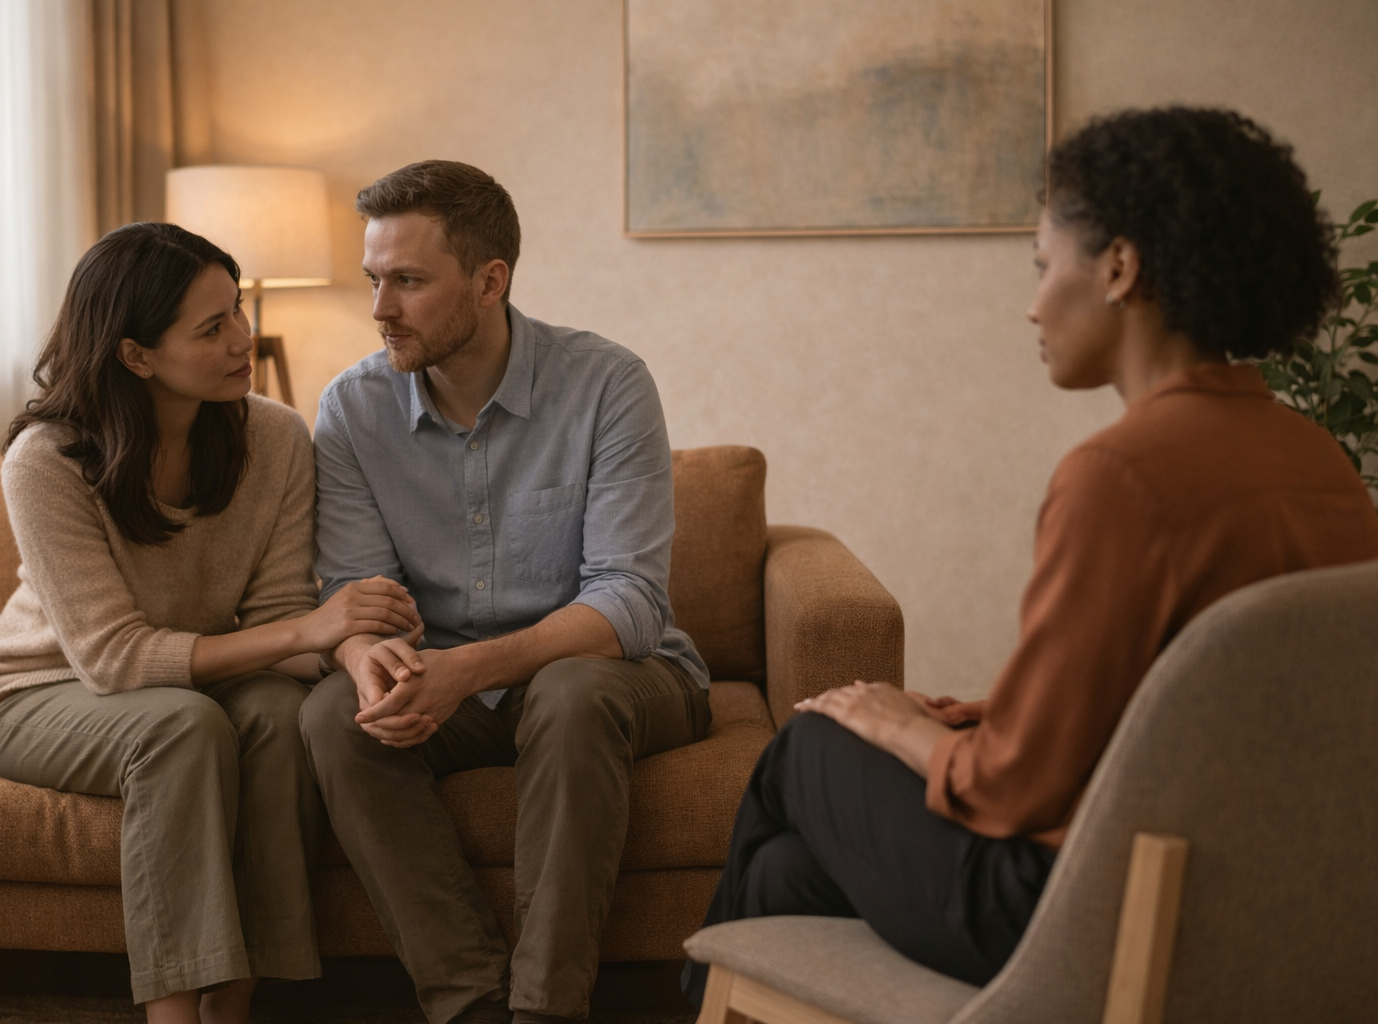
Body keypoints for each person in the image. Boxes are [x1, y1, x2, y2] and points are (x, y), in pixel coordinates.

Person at [684, 106, 1378, 998]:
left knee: (813, 736)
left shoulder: (1122, 476)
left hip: (1072, 904)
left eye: (1045, 267)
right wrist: (975, 717)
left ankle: (692, 1004)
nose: (1032, 302)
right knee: (783, 875)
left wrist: (903, 728)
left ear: (1120, 269)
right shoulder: (1314, 455)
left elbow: (1014, 795)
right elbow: (1174, 701)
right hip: (1249, 896)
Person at [0, 223, 421, 1024]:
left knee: (285, 715)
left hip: (187, 682)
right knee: (181, 728)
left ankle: (235, 1002)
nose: (243, 340)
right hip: (39, 691)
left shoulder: (274, 437)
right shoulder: (45, 460)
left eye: (236, 311)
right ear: (135, 355)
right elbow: (112, 660)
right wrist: (313, 630)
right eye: (212, 329)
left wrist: (366, 650)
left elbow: (283, 610)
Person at [299, 160, 710, 1024]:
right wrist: (366, 658)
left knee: (569, 691)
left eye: (407, 282)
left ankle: (546, 1012)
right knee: (334, 714)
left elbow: (630, 599)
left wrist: (465, 668)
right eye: (375, 280)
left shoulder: (606, 385)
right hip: (451, 684)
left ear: (491, 281)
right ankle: (471, 1008)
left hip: (615, 676)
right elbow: (352, 592)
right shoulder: (350, 409)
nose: (379, 309)